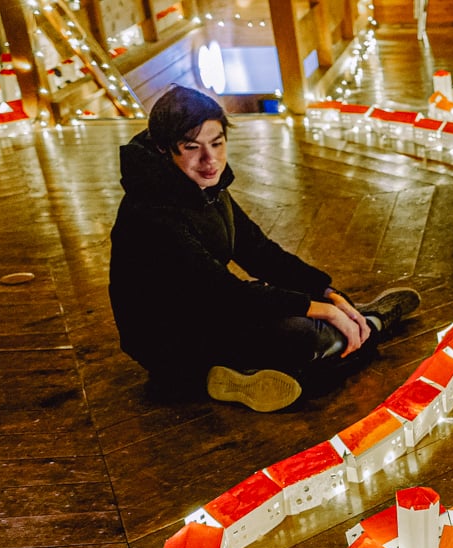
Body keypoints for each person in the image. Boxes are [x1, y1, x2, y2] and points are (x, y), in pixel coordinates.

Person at [109, 86, 421, 412]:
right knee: (309, 335)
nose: (209, 159)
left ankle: (237, 375)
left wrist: (327, 292)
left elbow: (259, 251)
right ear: (163, 148)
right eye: (191, 147)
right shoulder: (151, 214)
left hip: (205, 311)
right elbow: (224, 293)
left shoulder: (199, 185)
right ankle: (372, 323)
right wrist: (323, 311)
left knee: (320, 322)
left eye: (217, 143)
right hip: (172, 342)